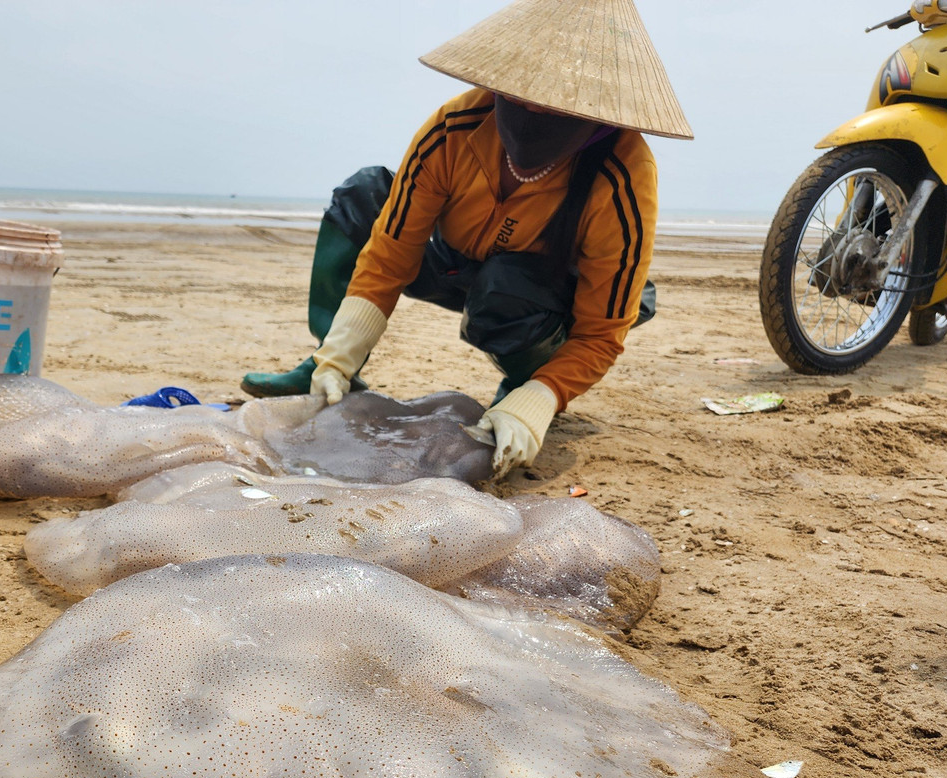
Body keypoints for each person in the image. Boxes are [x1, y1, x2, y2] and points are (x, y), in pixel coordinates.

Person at [241, 0, 692, 477]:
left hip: (549, 296)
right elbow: (390, 256)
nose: (532, 113)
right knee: (364, 195)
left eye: (554, 107)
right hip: (456, 262)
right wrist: (342, 354)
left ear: (594, 114)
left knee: (506, 285)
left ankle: (524, 381)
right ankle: (328, 366)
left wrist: (541, 396)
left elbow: (600, 333)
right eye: (520, 97)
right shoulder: (454, 129)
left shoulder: (621, 175)